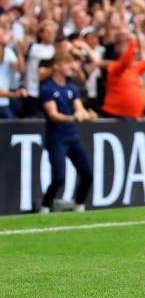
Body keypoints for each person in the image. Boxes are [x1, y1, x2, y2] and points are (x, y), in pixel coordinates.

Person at [38, 51, 98, 213]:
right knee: (58, 177)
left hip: (72, 136)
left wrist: (88, 115)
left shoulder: (72, 87)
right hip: (56, 138)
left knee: (88, 174)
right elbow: (53, 114)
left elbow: (80, 110)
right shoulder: (47, 88)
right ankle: (45, 206)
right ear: (56, 66)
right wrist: (74, 118)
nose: (70, 66)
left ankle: (79, 205)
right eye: (66, 63)